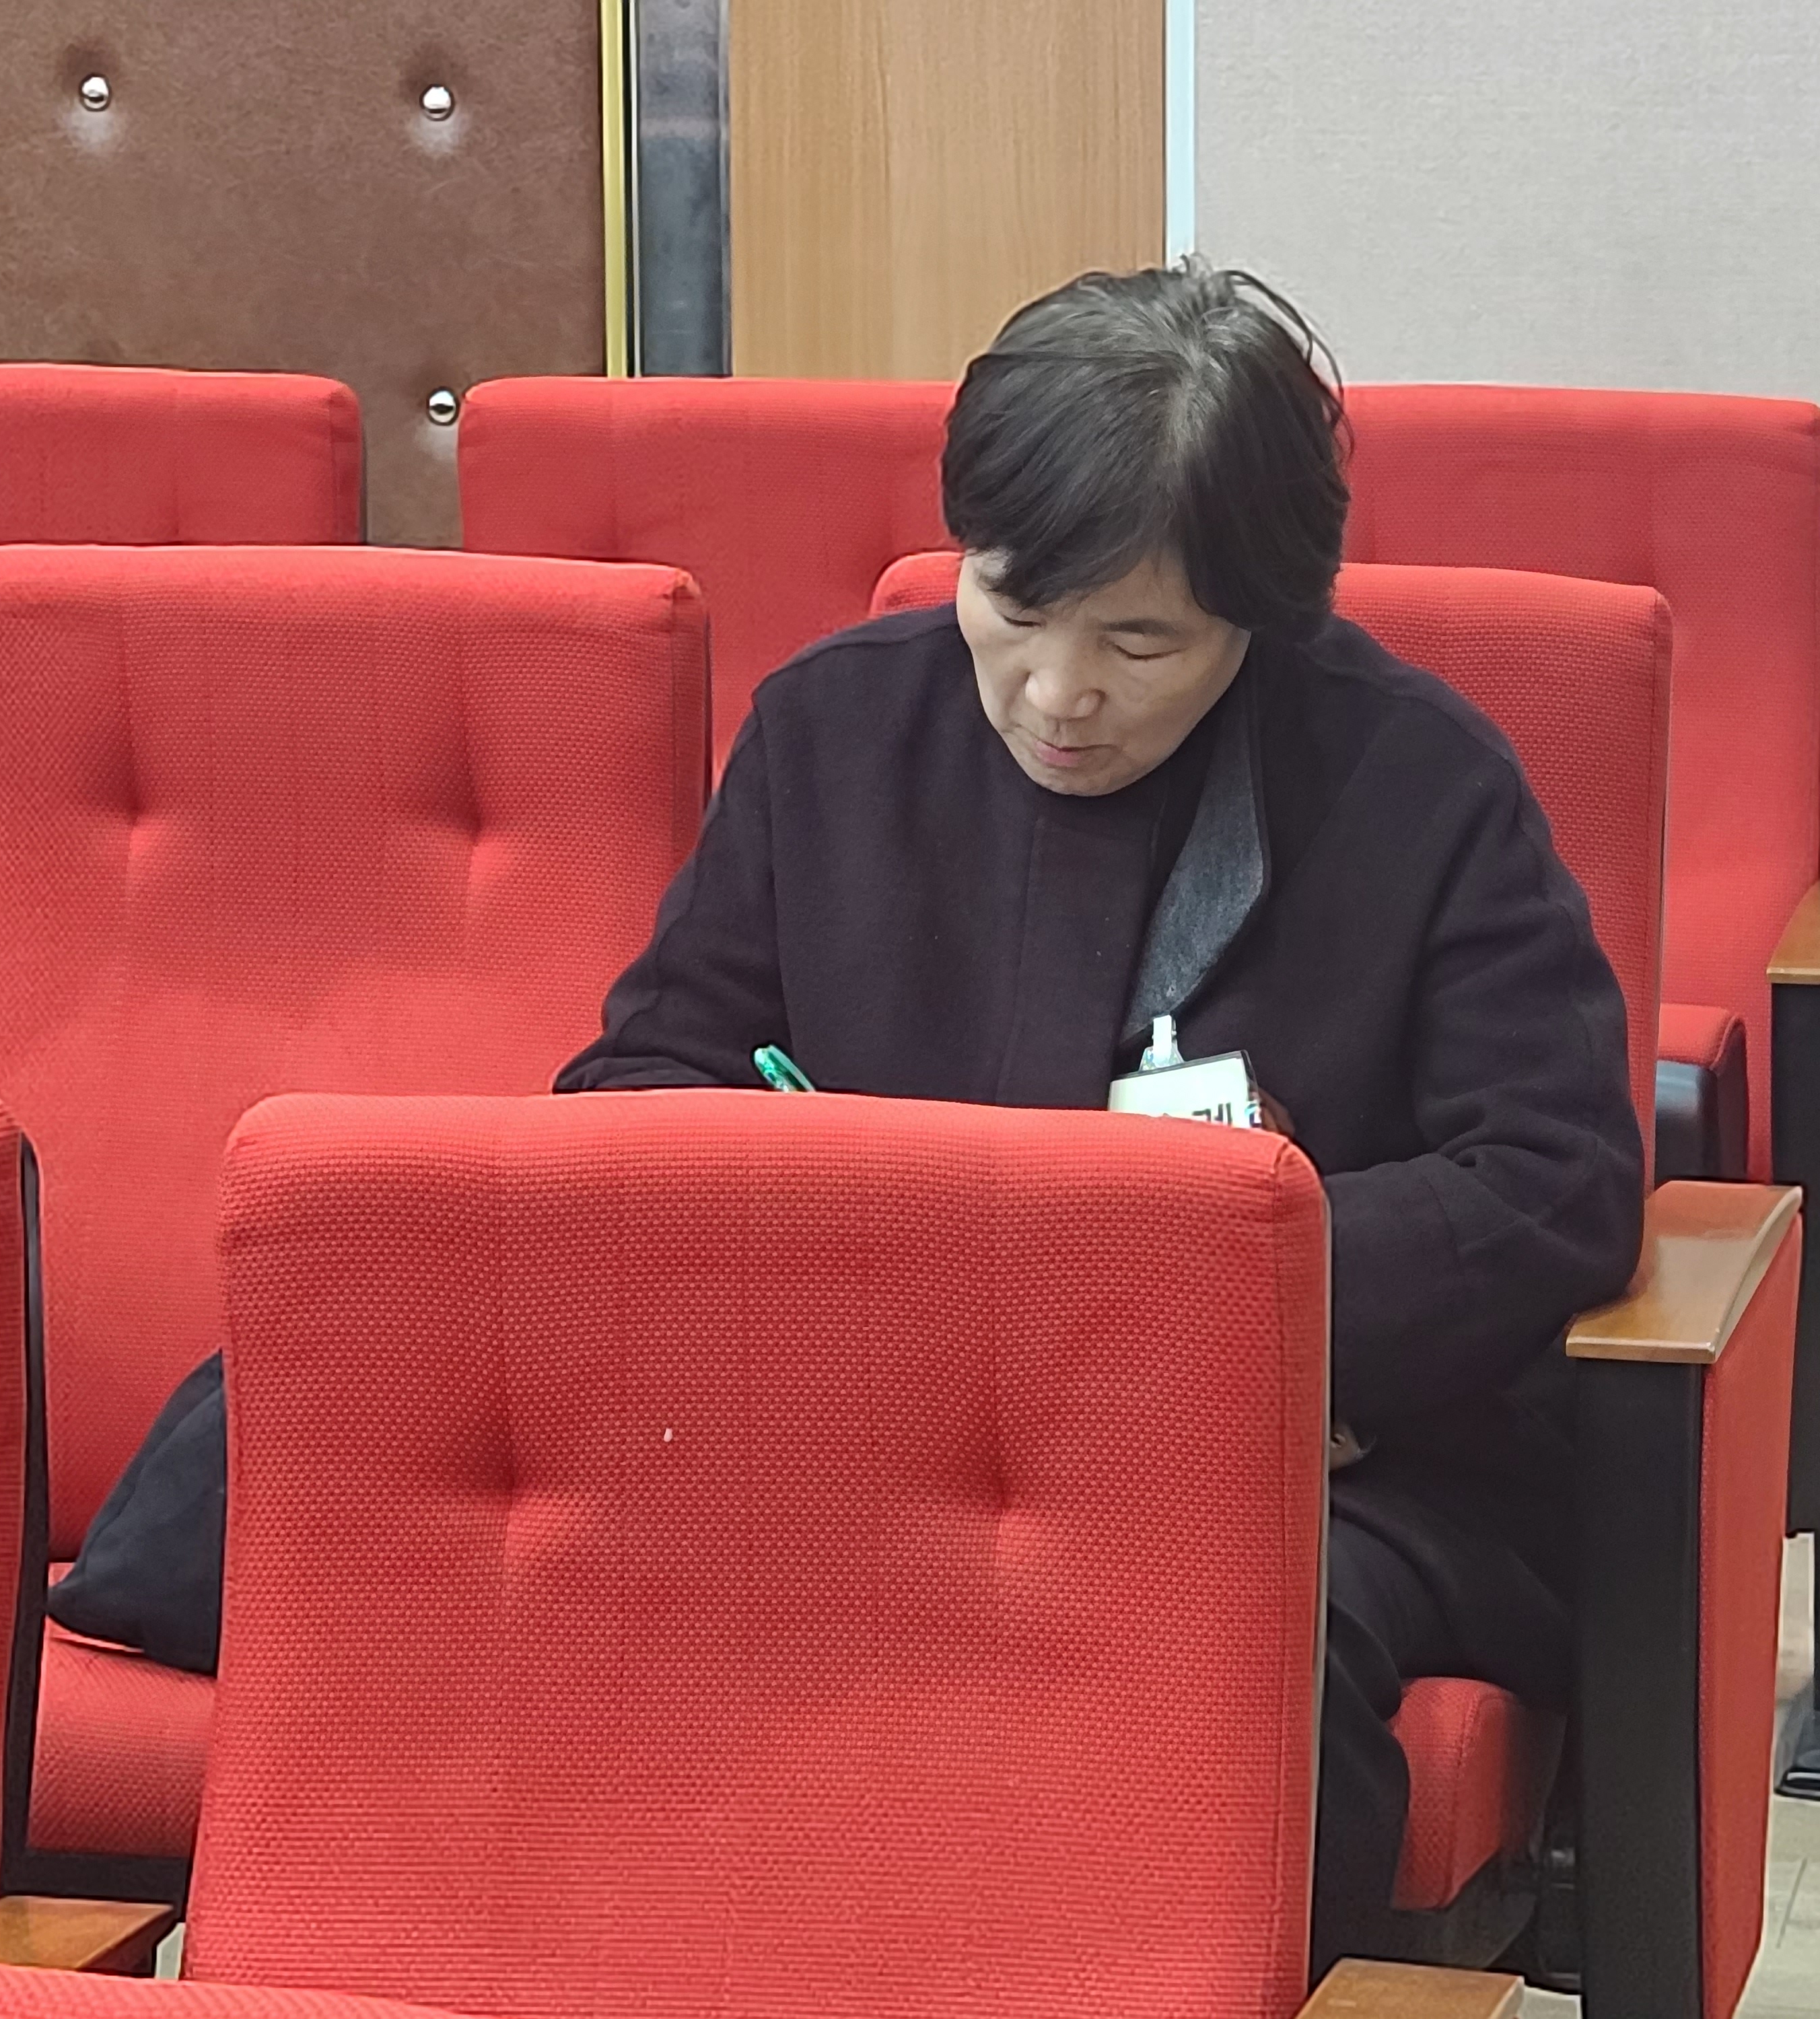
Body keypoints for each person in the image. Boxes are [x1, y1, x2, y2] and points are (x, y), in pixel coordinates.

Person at [557, 261, 1646, 1971]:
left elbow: (1553, 1182)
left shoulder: (1414, 782)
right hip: (870, 1431)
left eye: (1141, 642)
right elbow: (638, 1092)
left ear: (1257, 617)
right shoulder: (830, 732)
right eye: (1014, 606)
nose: (1059, 694)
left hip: (1308, 1463)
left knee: (1209, 1649)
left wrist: (1207, 1310)